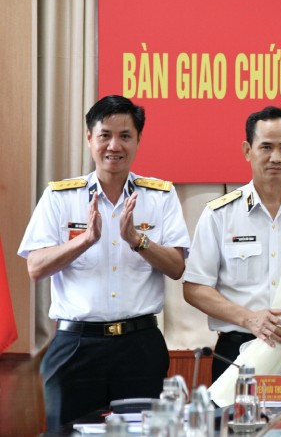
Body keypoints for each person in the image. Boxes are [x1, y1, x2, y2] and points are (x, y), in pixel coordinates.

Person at [18, 95, 189, 429]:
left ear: (138, 139)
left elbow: (177, 266)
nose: (115, 145)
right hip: (76, 346)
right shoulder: (59, 197)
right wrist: (85, 240)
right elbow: (35, 268)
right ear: (89, 139)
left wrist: (136, 240)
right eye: (105, 135)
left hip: (140, 346)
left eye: (125, 136)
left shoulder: (161, 196)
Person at [183, 106, 281, 401]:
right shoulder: (220, 215)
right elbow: (195, 288)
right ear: (247, 151)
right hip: (238, 353)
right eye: (266, 147)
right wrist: (250, 319)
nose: (276, 157)